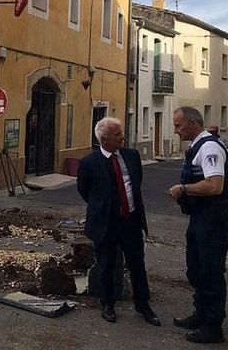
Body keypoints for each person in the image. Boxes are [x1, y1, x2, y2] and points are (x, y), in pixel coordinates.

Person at [77, 117, 160, 327]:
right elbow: (84, 190)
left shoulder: (131, 156)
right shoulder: (89, 162)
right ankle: (107, 304)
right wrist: (104, 207)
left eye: (121, 133)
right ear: (104, 139)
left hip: (130, 221)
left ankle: (143, 305)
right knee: (106, 264)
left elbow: (135, 182)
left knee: (137, 264)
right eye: (117, 135)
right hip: (106, 223)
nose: (122, 137)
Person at [169, 106, 228, 344]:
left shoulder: (210, 147)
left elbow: (215, 186)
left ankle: (213, 327)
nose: (175, 130)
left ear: (193, 123)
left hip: (213, 218)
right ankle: (201, 313)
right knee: (195, 268)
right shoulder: (200, 145)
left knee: (210, 271)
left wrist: (183, 189)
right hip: (201, 217)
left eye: (178, 125)